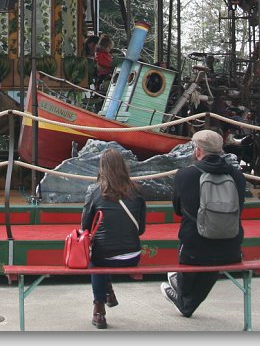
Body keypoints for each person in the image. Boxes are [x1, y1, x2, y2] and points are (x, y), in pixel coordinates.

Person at [162, 129, 247, 318]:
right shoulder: (237, 176)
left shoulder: (184, 175)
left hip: (194, 249)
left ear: (198, 150)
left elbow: (177, 210)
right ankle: (183, 298)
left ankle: (181, 290)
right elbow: (239, 209)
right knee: (214, 254)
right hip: (231, 248)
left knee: (195, 246)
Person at [79, 149, 147, 329]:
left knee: (98, 261)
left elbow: (85, 227)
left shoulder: (94, 191)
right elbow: (141, 229)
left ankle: (99, 310)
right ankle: (108, 290)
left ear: (102, 167)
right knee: (106, 250)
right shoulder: (137, 190)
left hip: (104, 257)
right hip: (132, 255)